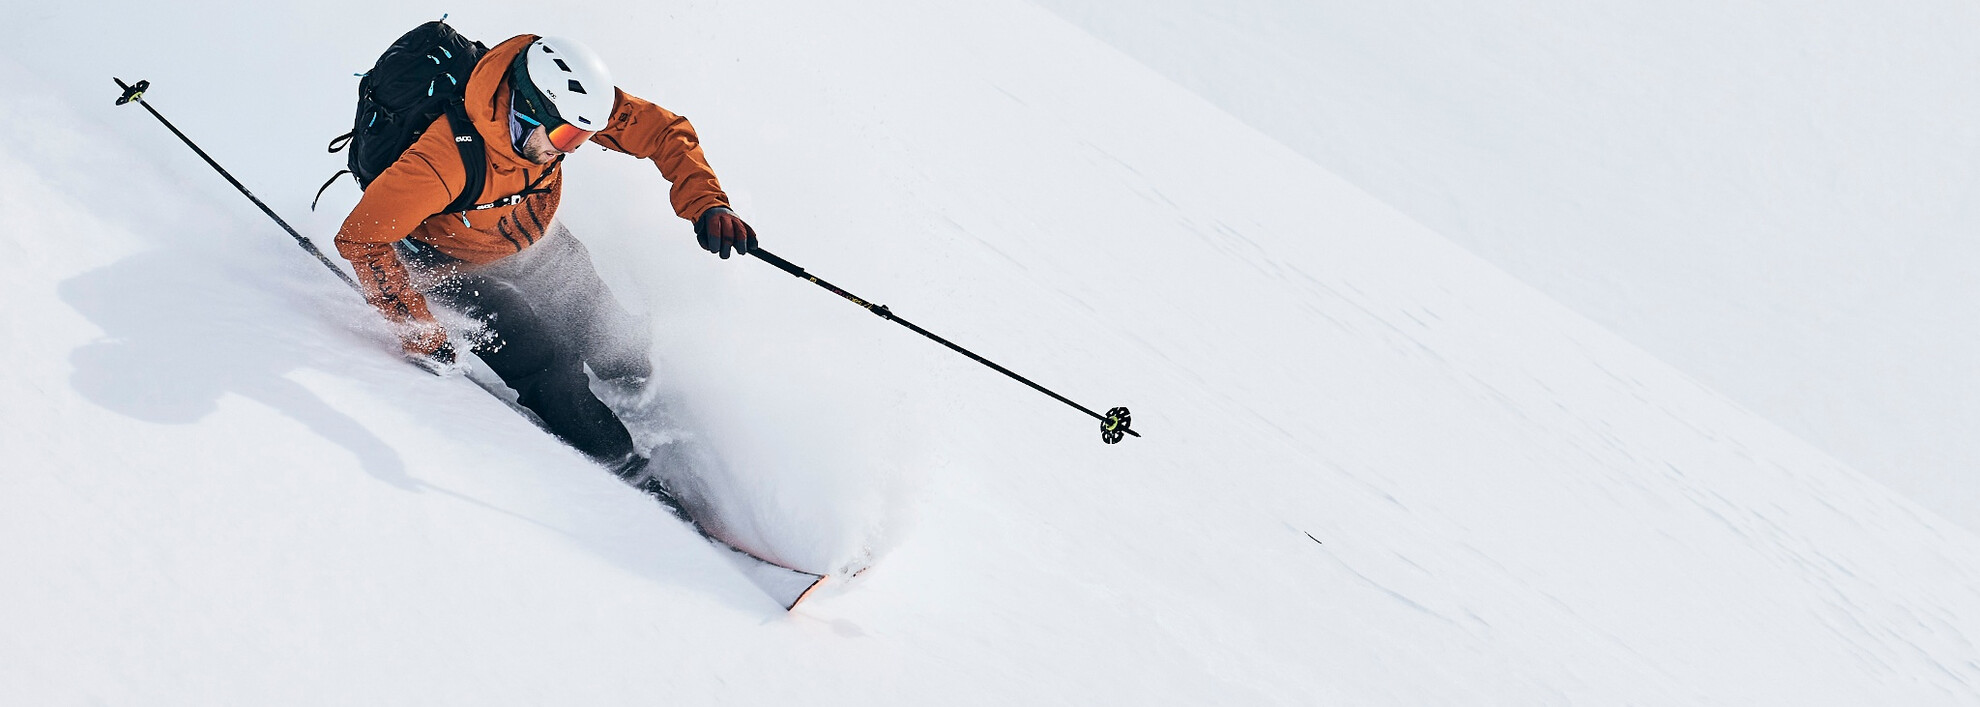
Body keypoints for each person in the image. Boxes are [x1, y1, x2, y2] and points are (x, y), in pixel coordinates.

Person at [333, 34, 756, 485]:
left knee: (606, 327)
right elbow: (361, 239)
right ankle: (623, 468)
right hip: (447, 262)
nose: (571, 148)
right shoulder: (442, 163)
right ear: (523, 110)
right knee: (548, 366)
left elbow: (662, 131)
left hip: (532, 239)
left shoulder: (569, 108)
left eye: (582, 137)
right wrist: (417, 329)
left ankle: (640, 388)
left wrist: (709, 204)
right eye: (564, 136)